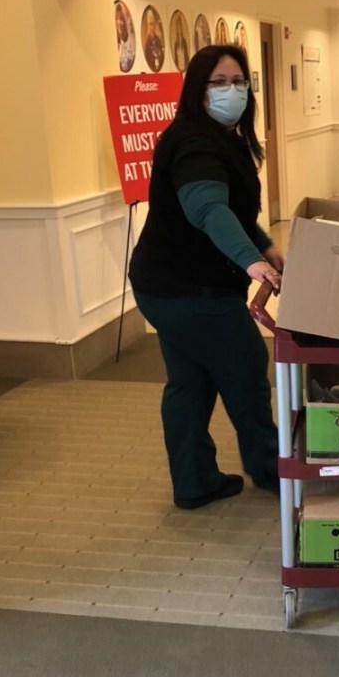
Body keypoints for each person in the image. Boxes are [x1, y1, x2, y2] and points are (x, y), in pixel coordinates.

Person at [129, 44, 282, 509]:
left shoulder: (219, 137)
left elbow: (234, 210)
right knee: (246, 368)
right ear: (197, 89)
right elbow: (208, 210)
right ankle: (271, 469)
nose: (231, 90)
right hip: (189, 289)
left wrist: (263, 245)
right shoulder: (195, 144)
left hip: (162, 284)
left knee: (190, 381)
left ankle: (194, 481)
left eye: (238, 81)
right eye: (218, 82)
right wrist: (252, 260)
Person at [114, 0, 135, 73]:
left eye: (121, 19)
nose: (119, 23)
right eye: (117, 19)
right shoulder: (114, 44)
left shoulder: (129, 43)